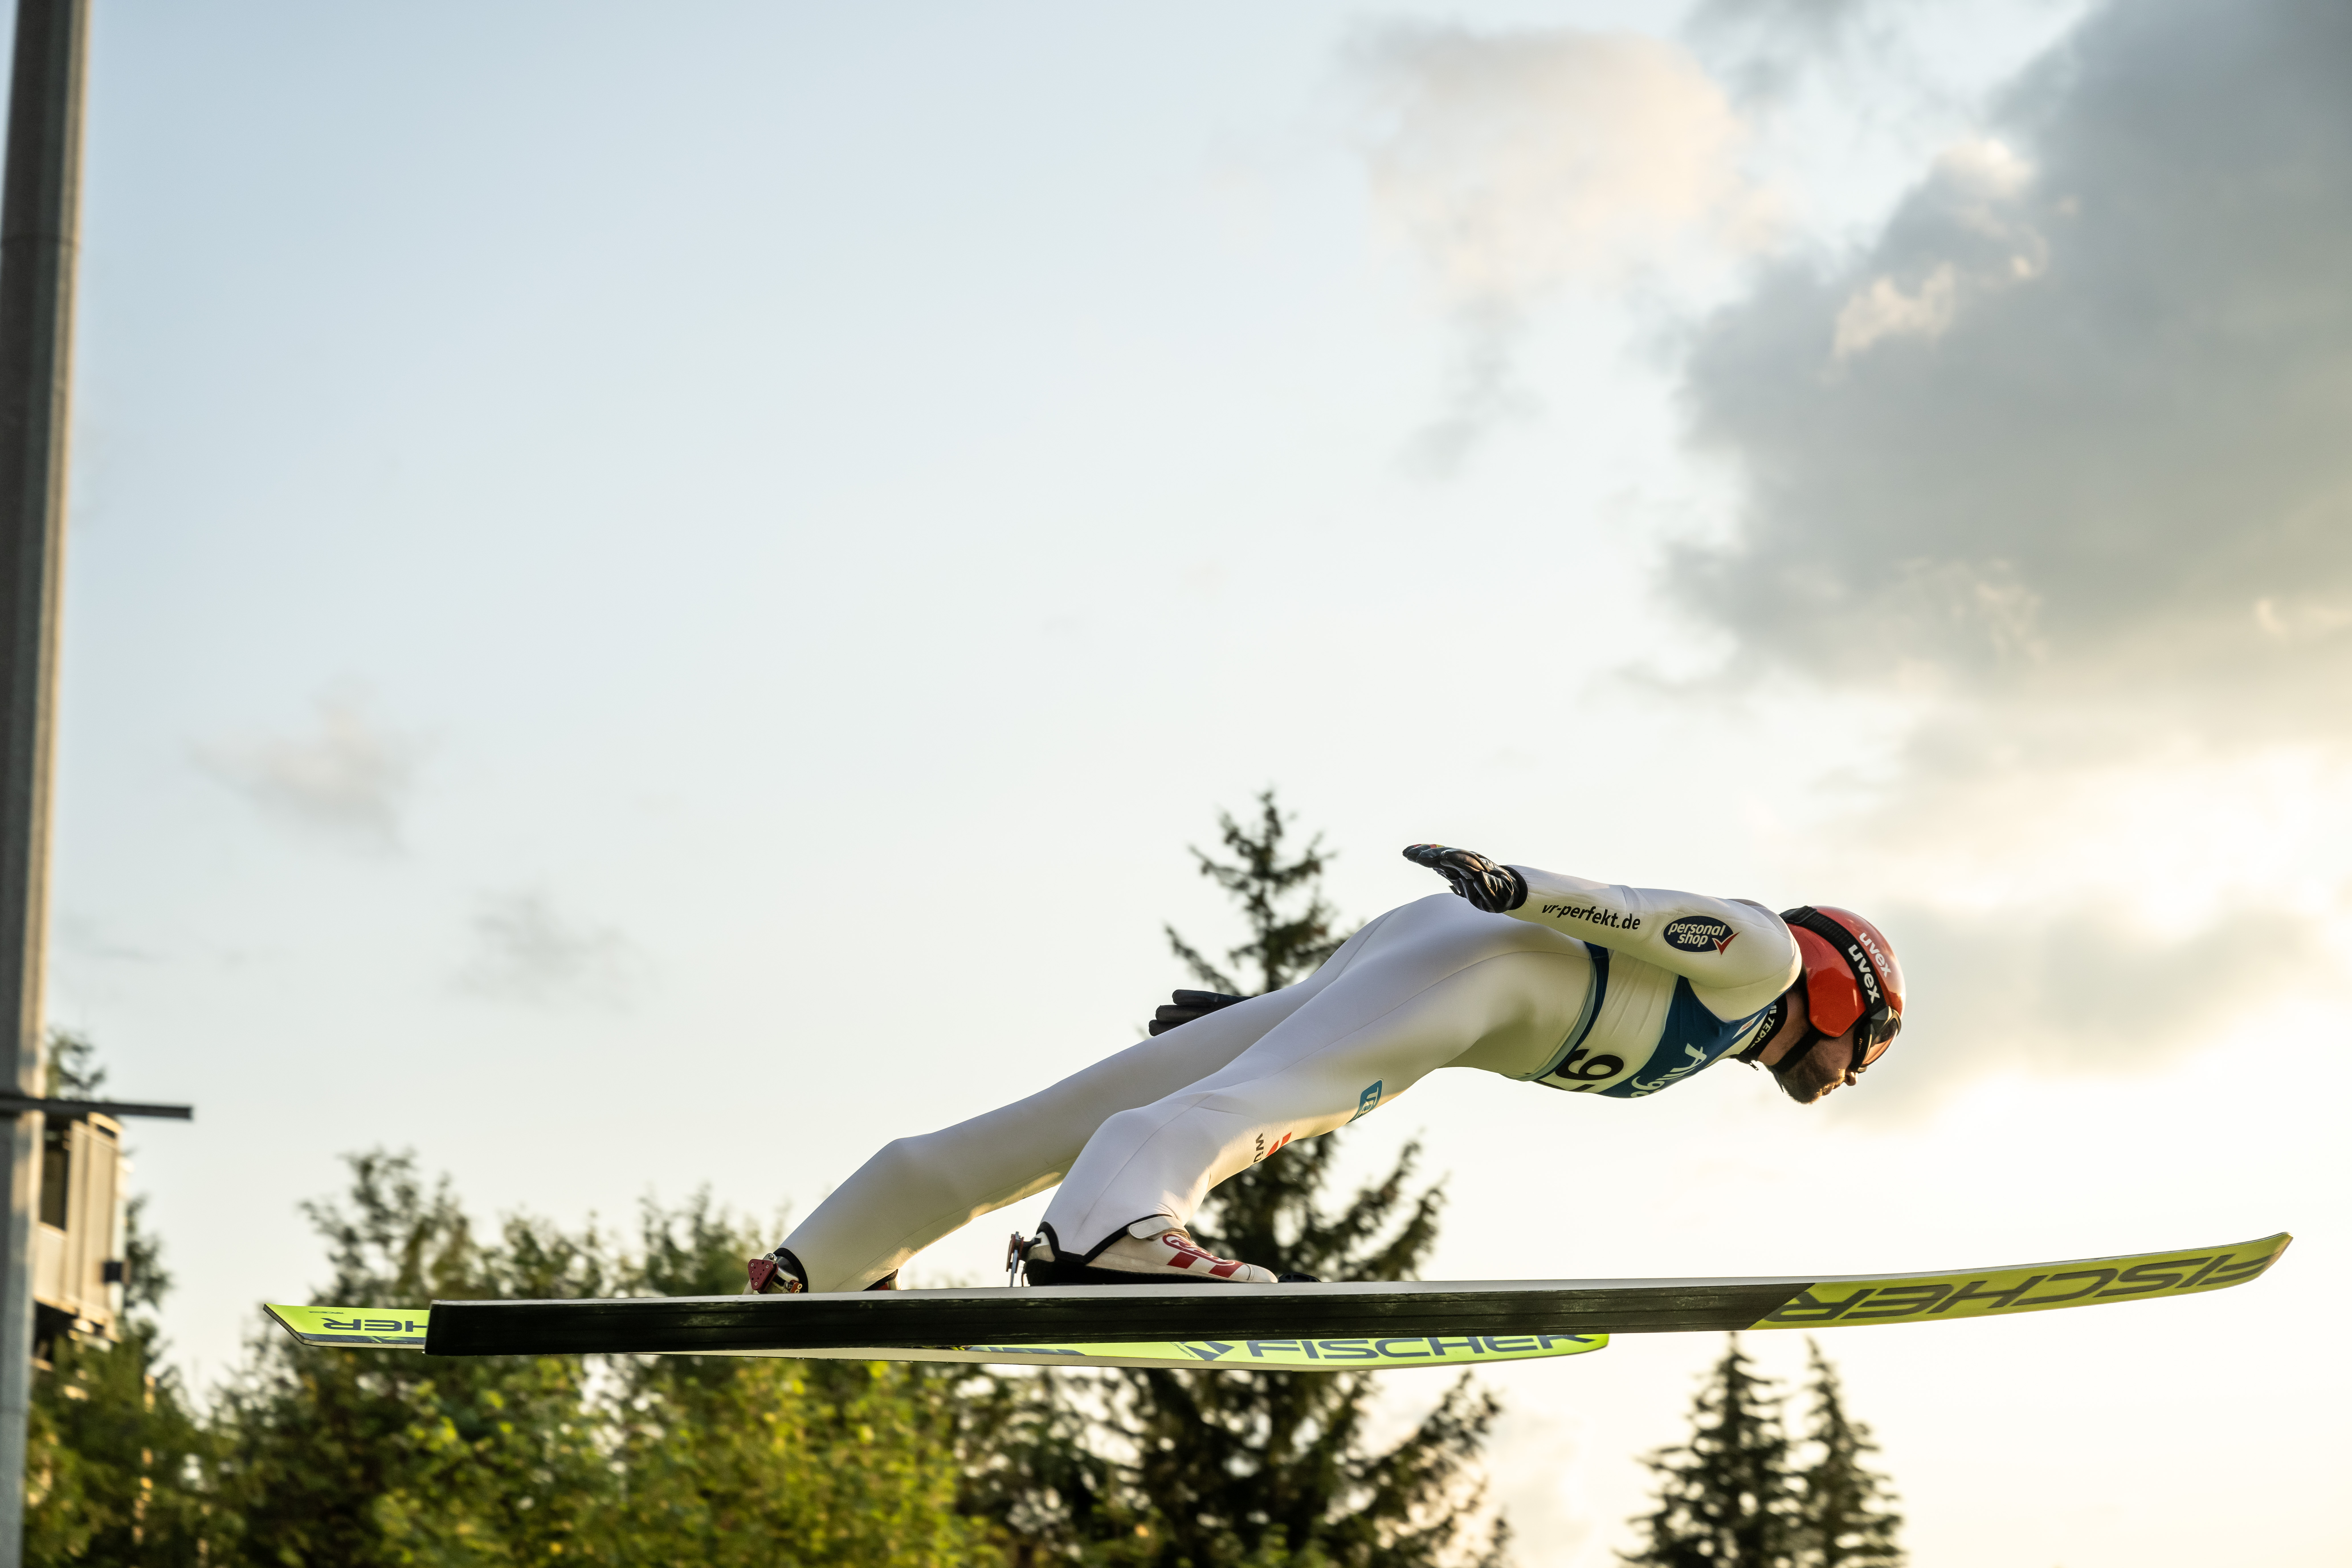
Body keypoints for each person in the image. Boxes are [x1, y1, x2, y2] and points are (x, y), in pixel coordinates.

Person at [745, 844, 1905, 1295]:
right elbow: (1640, 910)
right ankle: (1107, 1235)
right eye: (1870, 1044)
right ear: (1842, 989)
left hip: (1433, 961)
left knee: (1080, 1106)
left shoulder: (1723, 1031)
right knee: (1277, 1103)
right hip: (1473, 960)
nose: (1853, 1075)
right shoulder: (1761, 959)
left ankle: (829, 1256)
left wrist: (1273, 1013)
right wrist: (1518, 885)